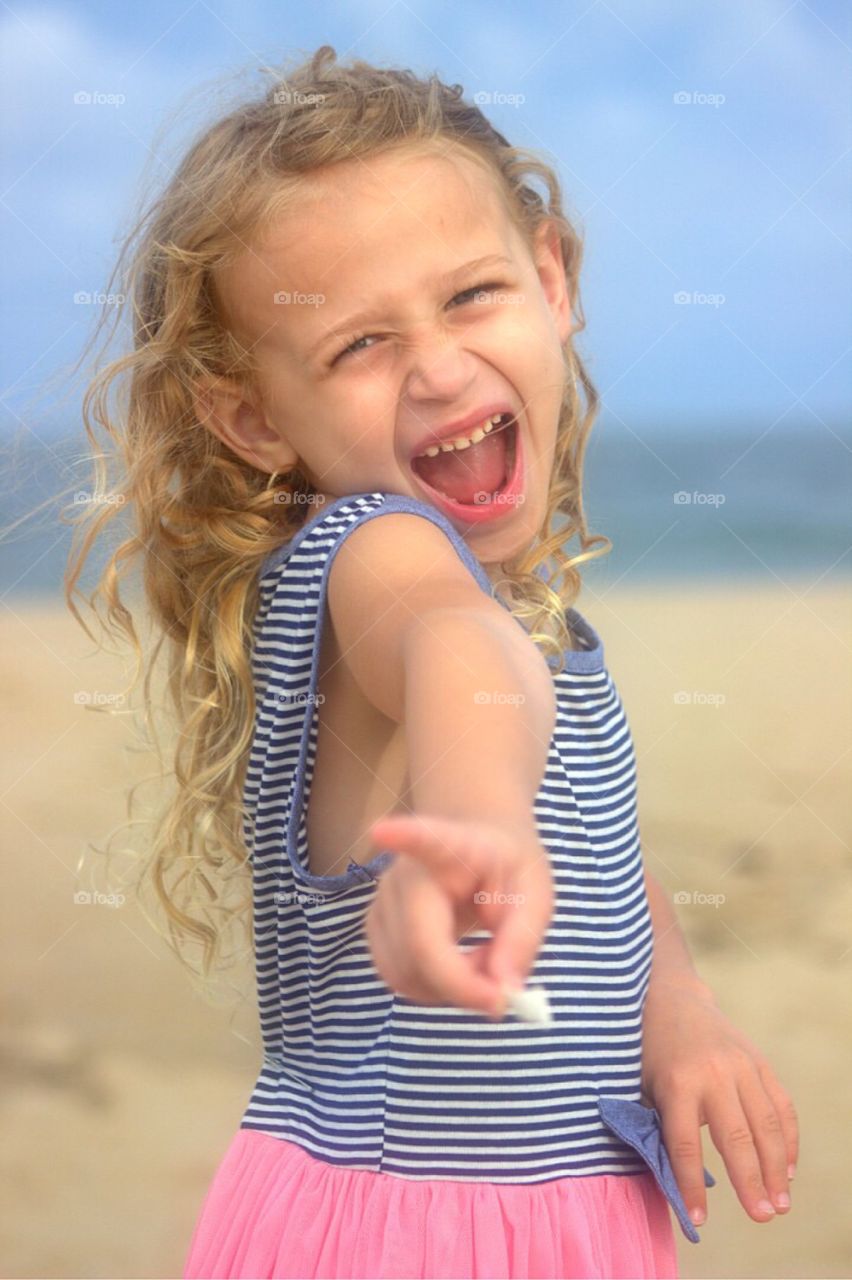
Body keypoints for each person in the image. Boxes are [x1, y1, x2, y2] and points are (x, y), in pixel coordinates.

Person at [65, 44, 799, 1280]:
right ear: (251, 418)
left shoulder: (533, 613)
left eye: (470, 296)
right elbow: (455, 660)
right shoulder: (377, 555)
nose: (442, 365)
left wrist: (674, 1004)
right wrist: (470, 815)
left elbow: (600, 859)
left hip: (567, 1211)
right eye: (358, 345)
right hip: (413, 1230)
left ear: (549, 275)